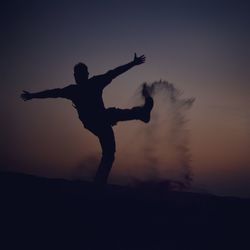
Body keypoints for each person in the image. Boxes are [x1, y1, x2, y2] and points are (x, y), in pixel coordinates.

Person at [21, 53, 154, 185]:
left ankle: (99, 181)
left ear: (86, 74)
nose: (78, 77)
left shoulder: (91, 84)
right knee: (112, 114)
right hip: (95, 121)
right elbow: (53, 93)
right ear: (75, 76)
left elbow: (114, 73)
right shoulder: (75, 89)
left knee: (109, 153)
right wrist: (33, 95)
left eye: (81, 74)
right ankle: (141, 114)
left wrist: (132, 63)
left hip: (100, 123)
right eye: (77, 75)